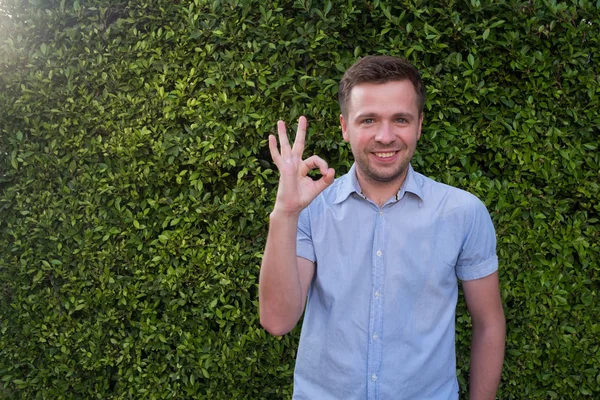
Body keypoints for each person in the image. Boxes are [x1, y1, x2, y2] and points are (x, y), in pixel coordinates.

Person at [258, 55, 505, 400]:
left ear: (419, 125)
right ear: (345, 127)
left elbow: (489, 324)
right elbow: (277, 321)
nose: (385, 136)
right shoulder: (311, 211)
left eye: (400, 119)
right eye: (368, 120)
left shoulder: (463, 213)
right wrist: (284, 213)